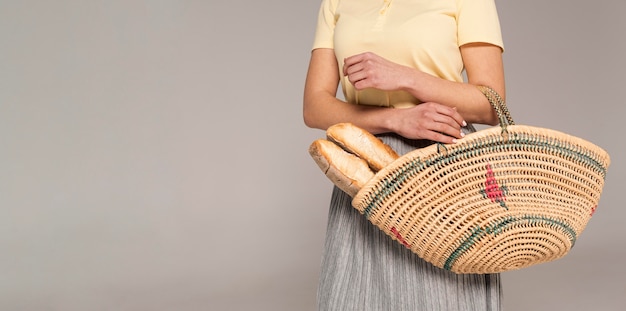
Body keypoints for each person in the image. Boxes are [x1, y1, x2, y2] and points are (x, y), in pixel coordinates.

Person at [303, 0, 506, 310]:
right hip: (365, 166)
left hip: (441, 168)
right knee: (354, 296)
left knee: (439, 296)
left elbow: (491, 104)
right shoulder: (337, 2)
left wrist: (406, 78)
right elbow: (314, 106)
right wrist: (394, 120)